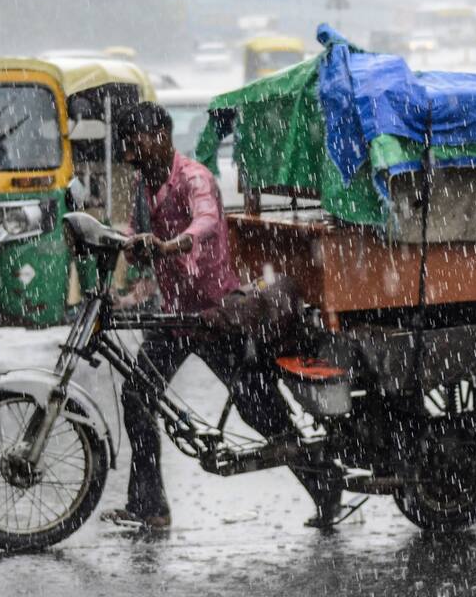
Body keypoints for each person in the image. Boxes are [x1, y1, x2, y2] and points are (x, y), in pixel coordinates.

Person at [101, 102, 345, 531]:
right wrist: (115, 239)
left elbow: (208, 223)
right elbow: (132, 227)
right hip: (176, 317)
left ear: (160, 134)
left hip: (217, 315)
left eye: (133, 138)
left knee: (261, 411)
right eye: (124, 141)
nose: (128, 148)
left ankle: (324, 483)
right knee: (138, 398)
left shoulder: (194, 177)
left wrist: (170, 245)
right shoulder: (144, 184)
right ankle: (149, 506)